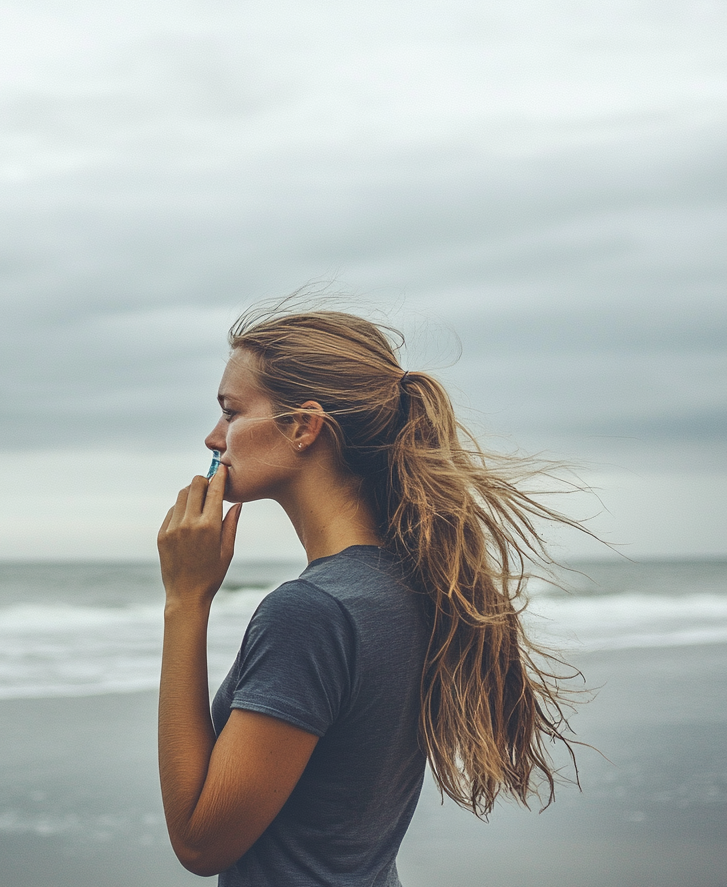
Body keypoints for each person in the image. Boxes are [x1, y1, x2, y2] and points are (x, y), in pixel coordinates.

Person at [157, 307, 584, 886]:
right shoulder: (409, 583)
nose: (214, 438)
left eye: (231, 412)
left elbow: (200, 843)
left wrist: (186, 600)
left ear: (304, 426)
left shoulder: (311, 612)